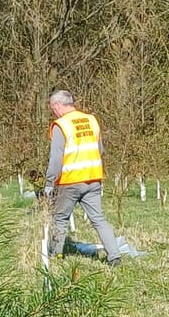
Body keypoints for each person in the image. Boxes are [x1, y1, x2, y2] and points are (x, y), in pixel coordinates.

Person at [44, 89, 122, 266]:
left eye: (52, 108)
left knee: (60, 219)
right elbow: (100, 150)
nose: (52, 112)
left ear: (57, 105)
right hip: (93, 178)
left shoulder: (61, 125)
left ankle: (56, 257)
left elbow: (56, 158)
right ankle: (114, 256)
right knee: (98, 219)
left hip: (70, 180)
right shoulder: (91, 120)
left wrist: (49, 183)